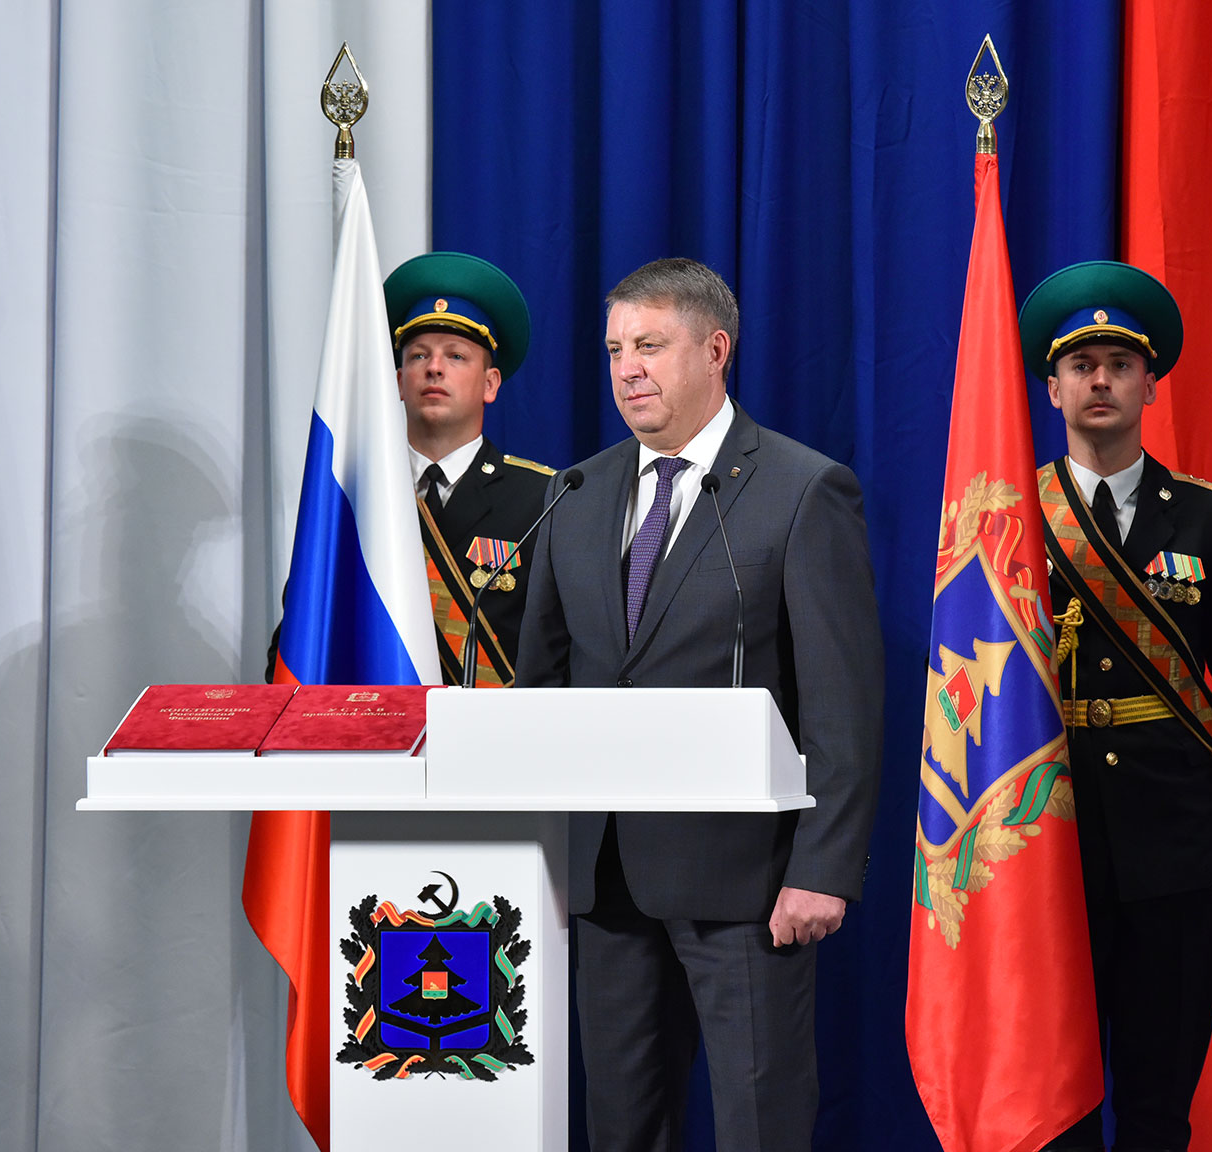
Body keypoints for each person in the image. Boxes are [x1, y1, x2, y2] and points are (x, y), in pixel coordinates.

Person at [516, 258, 884, 1150]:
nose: (627, 370)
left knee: (760, 1125)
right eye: (615, 350)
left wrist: (823, 867)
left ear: (715, 350)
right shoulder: (575, 493)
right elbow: (541, 688)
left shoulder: (802, 489)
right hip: (606, 879)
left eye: (650, 345)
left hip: (747, 882)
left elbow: (842, 703)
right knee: (622, 1127)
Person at [1018, 260, 1212, 1152]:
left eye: (1120, 365)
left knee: (1160, 1100)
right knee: (1053, 1095)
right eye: (1081, 365)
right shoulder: (1015, 514)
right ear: (1052, 388)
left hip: (1175, 839)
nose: (1101, 380)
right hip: (1047, 834)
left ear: (1150, 385)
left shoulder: (1210, 518)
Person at [270, 251, 553, 685]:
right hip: (370, 721)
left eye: (456, 356)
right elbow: (300, 644)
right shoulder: (353, 494)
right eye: (419, 356)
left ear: (490, 383)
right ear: (399, 381)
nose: (435, 368)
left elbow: (561, 651)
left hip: (494, 725)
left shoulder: (544, 498)